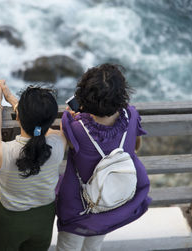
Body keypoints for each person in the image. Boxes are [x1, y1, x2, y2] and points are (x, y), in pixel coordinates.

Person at [56, 64, 151, 251]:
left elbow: (63, 145)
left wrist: (73, 116)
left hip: (80, 207)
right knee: (93, 246)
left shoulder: (76, 127)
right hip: (111, 200)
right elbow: (136, 147)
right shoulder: (131, 115)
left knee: (68, 247)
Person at [0, 80, 67, 251]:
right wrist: (14, 101)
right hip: (44, 219)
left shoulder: (1, 151)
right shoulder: (59, 142)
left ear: (18, 118)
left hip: (9, 222)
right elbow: (43, 129)